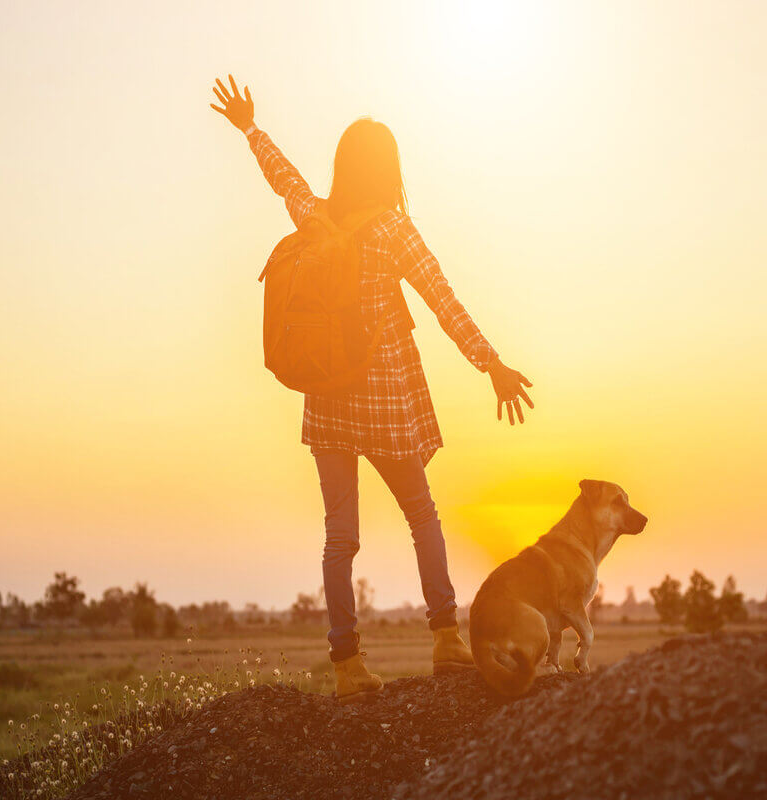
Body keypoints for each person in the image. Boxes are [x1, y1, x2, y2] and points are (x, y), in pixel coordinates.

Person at [211, 75, 534, 702]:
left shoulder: (317, 218)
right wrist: (490, 364)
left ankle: (347, 666)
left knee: (340, 538)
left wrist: (250, 128)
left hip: (327, 401)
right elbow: (444, 301)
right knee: (422, 515)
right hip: (385, 402)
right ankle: (446, 640)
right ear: (389, 169)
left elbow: (286, 181)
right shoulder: (392, 230)